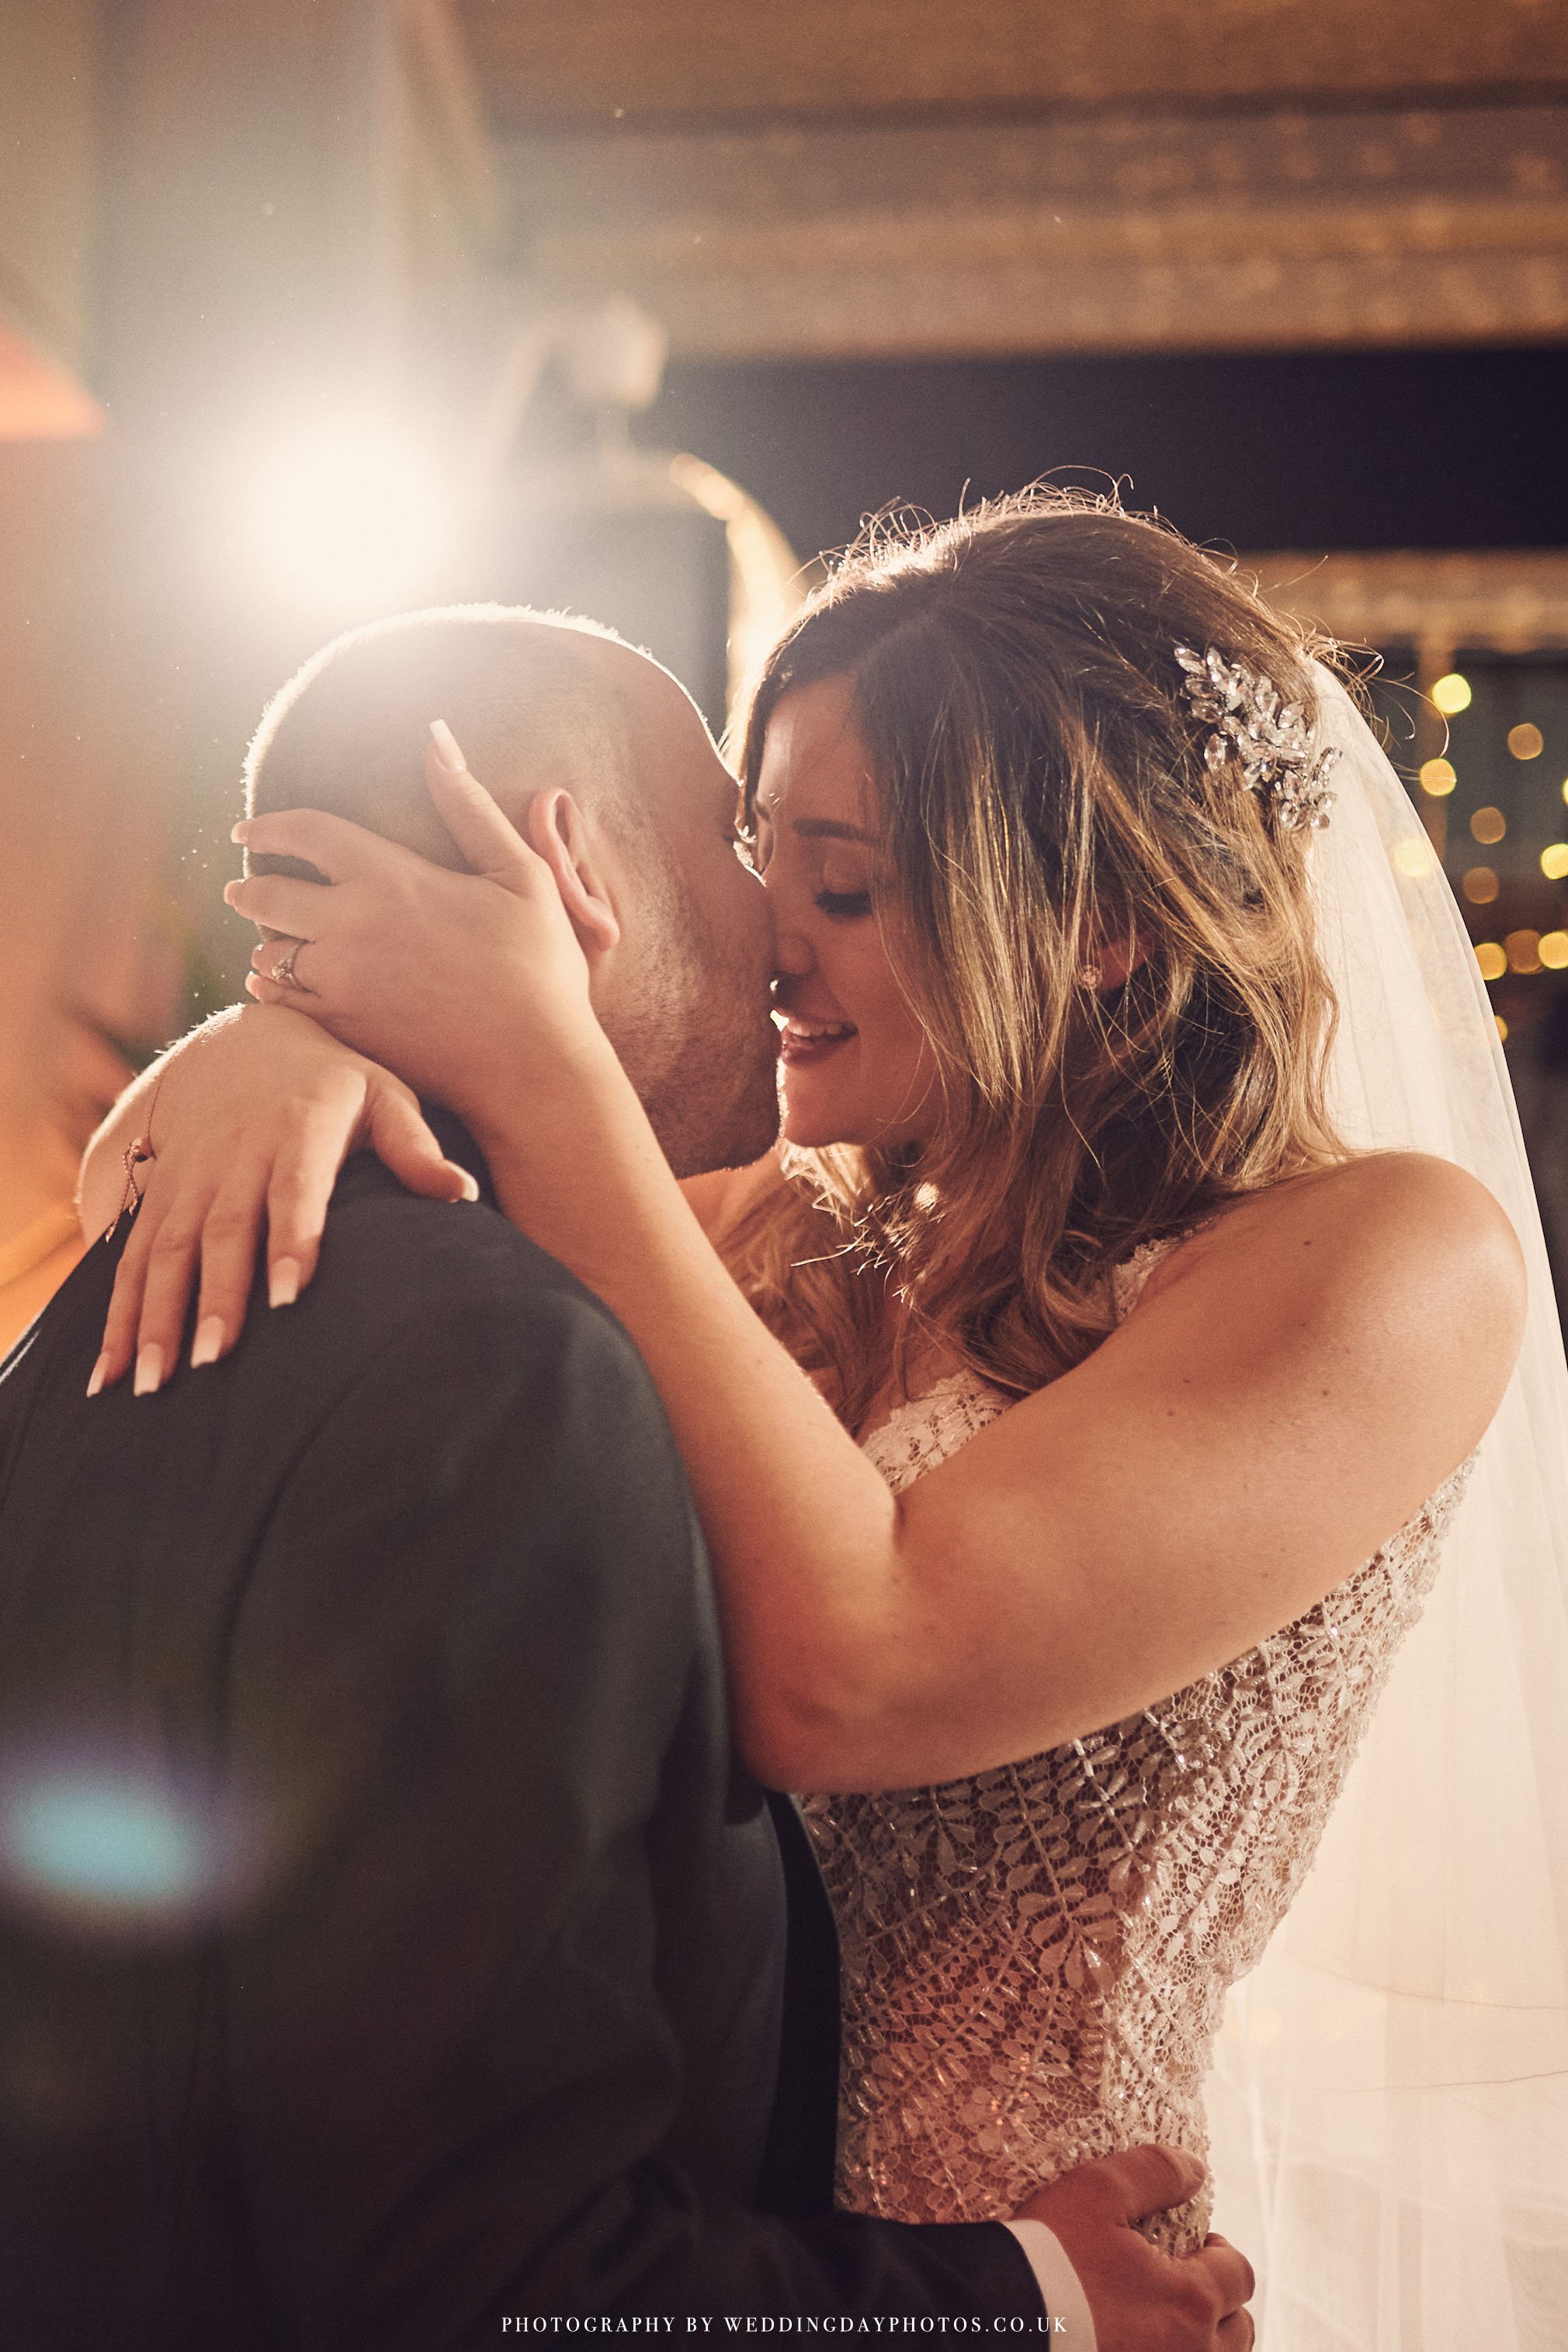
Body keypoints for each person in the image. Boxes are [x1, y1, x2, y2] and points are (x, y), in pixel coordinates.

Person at [85, 494, 1565, 2342]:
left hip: (1030, 2271)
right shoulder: (771, 1229)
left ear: (1096, 927)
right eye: (752, 853)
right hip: (657, 2265)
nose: (767, 940)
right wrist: (275, 1040)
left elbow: (848, 1668)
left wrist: (529, 1046)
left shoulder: (1382, 1267)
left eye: (841, 887)